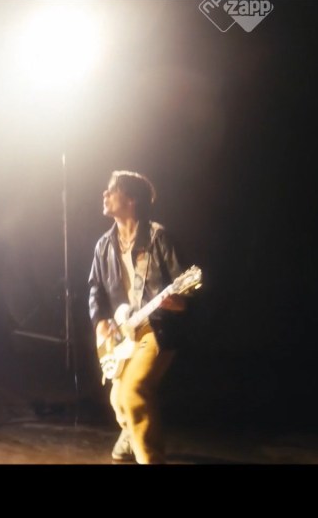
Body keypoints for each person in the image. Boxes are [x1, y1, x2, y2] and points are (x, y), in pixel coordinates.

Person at [88, 170, 189, 464]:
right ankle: (131, 433)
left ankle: (150, 458)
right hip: (126, 331)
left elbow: (184, 286)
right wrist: (99, 321)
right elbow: (95, 289)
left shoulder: (158, 238)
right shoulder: (104, 245)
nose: (105, 194)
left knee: (133, 391)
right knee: (117, 399)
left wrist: (179, 302)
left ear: (131, 200)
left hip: (157, 330)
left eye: (112, 190)